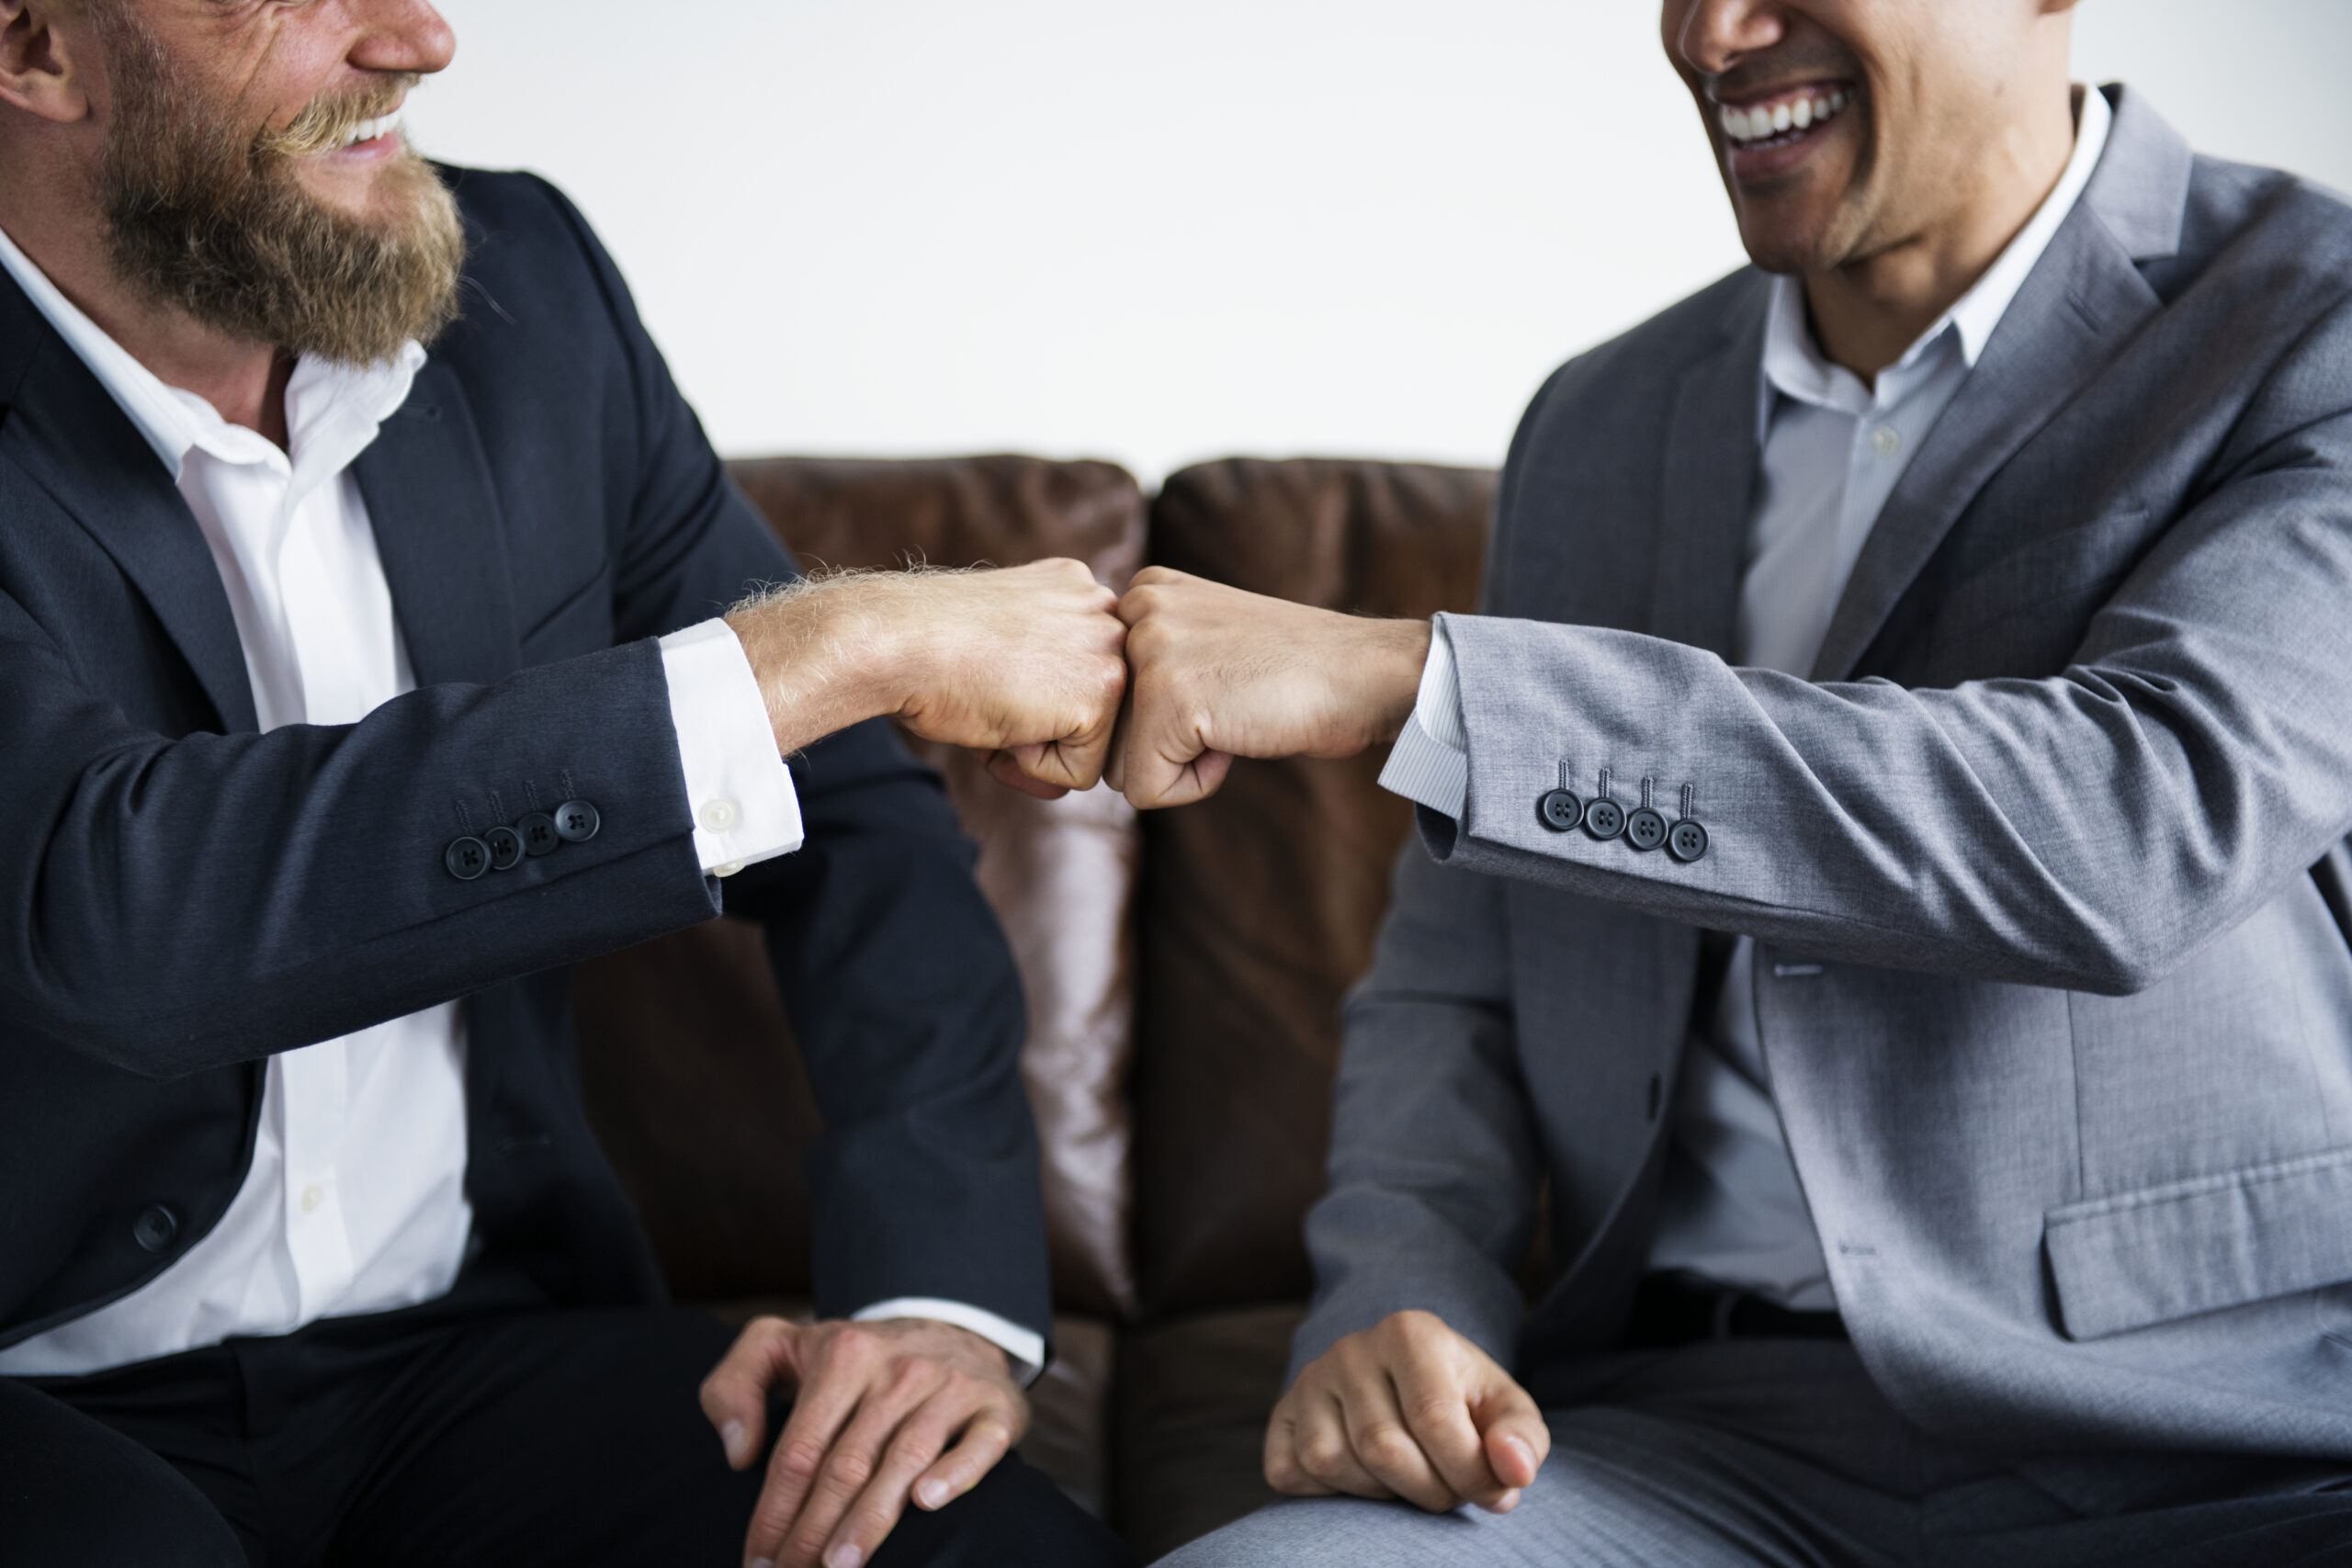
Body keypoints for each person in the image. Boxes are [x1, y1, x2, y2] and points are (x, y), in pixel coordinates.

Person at [1118, 0, 2352, 1562]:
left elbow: (2137, 821)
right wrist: (1401, 1291)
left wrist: (1419, 683)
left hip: (2221, 1442)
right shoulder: (1598, 422)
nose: (1712, 33)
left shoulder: (2314, 323)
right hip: (1680, 1445)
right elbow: (1460, 978)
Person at [0, 3, 1135, 1566]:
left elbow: (852, 815)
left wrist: (934, 1293)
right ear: (33, 48)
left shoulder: (530, 290)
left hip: (467, 1357)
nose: (418, 37)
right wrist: (836, 642)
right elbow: (114, 905)